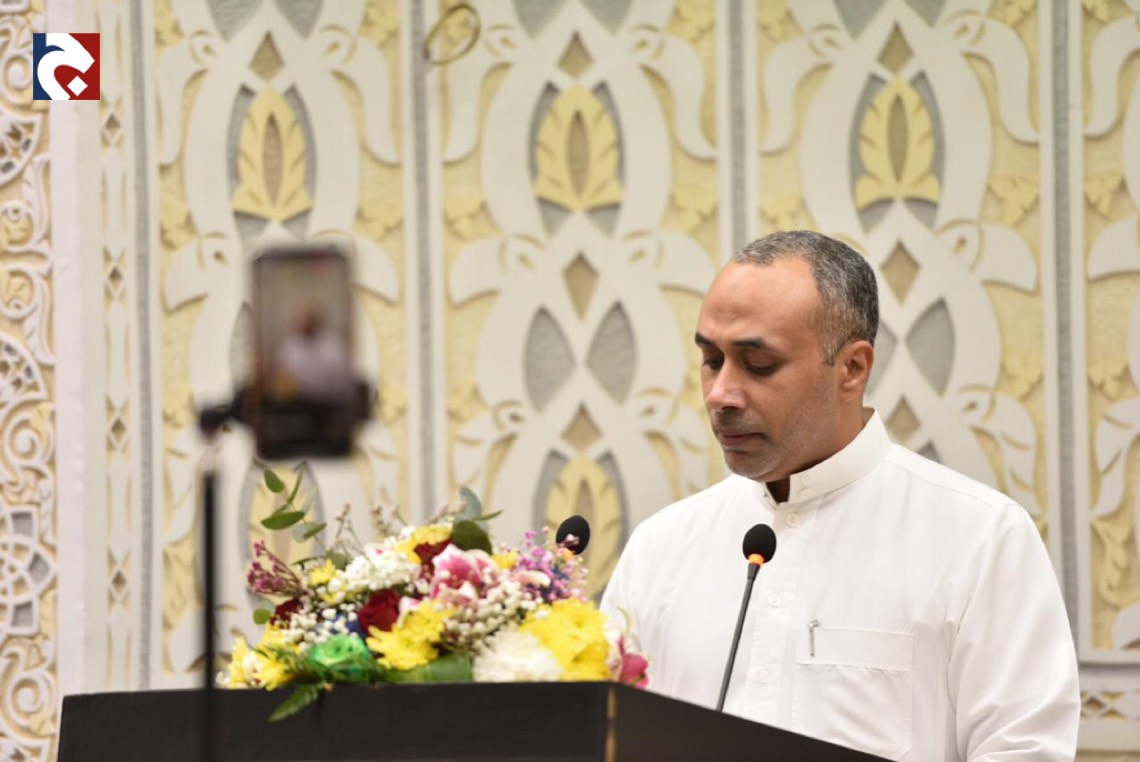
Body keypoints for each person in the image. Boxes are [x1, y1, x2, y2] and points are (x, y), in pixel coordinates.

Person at [601, 231, 1079, 760]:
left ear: (852, 369)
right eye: (712, 360)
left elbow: (1025, 750)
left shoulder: (980, 538)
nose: (721, 395)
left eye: (758, 365)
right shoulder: (661, 547)